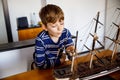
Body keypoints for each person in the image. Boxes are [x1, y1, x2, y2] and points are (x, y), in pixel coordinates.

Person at [34, 4, 75, 69]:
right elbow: (40, 65)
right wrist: (60, 61)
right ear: (45, 27)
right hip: (45, 70)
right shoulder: (40, 40)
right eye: (54, 26)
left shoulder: (66, 33)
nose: (60, 29)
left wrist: (71, 52)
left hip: (59, 67)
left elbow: (71, 57)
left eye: (62, 24)